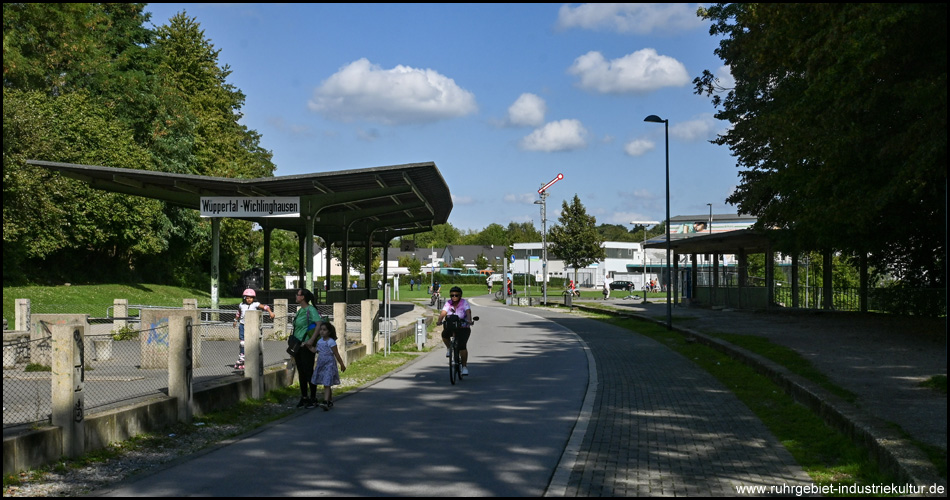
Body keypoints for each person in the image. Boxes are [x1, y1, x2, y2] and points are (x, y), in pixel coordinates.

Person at [290, 288, 321, 408]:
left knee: (308, 371)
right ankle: (304, 397)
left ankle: (313, 397)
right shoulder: (300, 311)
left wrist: (311, 340)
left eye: (297, 295)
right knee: (301, 372)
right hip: (297, 345)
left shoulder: (310, 309)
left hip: (306, 345)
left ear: (302, 297)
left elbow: (318, 324)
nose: (296, 296)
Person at [306, 321, 346, 410]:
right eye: (321, 330)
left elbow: (336, 354)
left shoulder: (331, 342)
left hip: (329, 364)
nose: (322, 332)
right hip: (321, 364)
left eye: (324, 330)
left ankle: (325, 402)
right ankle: (330, 401)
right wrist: (309, 347)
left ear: (329, 332)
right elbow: (316, 350)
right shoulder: (320, 341)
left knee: (327, 383)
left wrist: (342, 364)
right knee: (326, 383)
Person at [231, 289, 274, 369]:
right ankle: (242, 356)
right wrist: (235, 320)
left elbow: (265, 307)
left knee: (251, 342)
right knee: (242, 342)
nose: (249, 299)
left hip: (252, 325)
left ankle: (251, 357)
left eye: (251, 298)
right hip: (242, 325)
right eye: (247, 298)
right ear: (244, 298)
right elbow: (238, 313)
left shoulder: (255, 304)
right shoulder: (241, 305)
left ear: (254, 298)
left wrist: (270, 312)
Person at [437, 286, 474, 376]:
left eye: (456, 295)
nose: (454, 297)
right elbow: (443, 312)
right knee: (444, 335)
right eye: (452, 295)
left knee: (462, 346)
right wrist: (439, 320)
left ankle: (464, 367)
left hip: (463, 327)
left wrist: (469, 320)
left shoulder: (464, 303)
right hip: (451, 326)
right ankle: (449, 348)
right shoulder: (448, 303)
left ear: (460, 295)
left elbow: (468, 312)